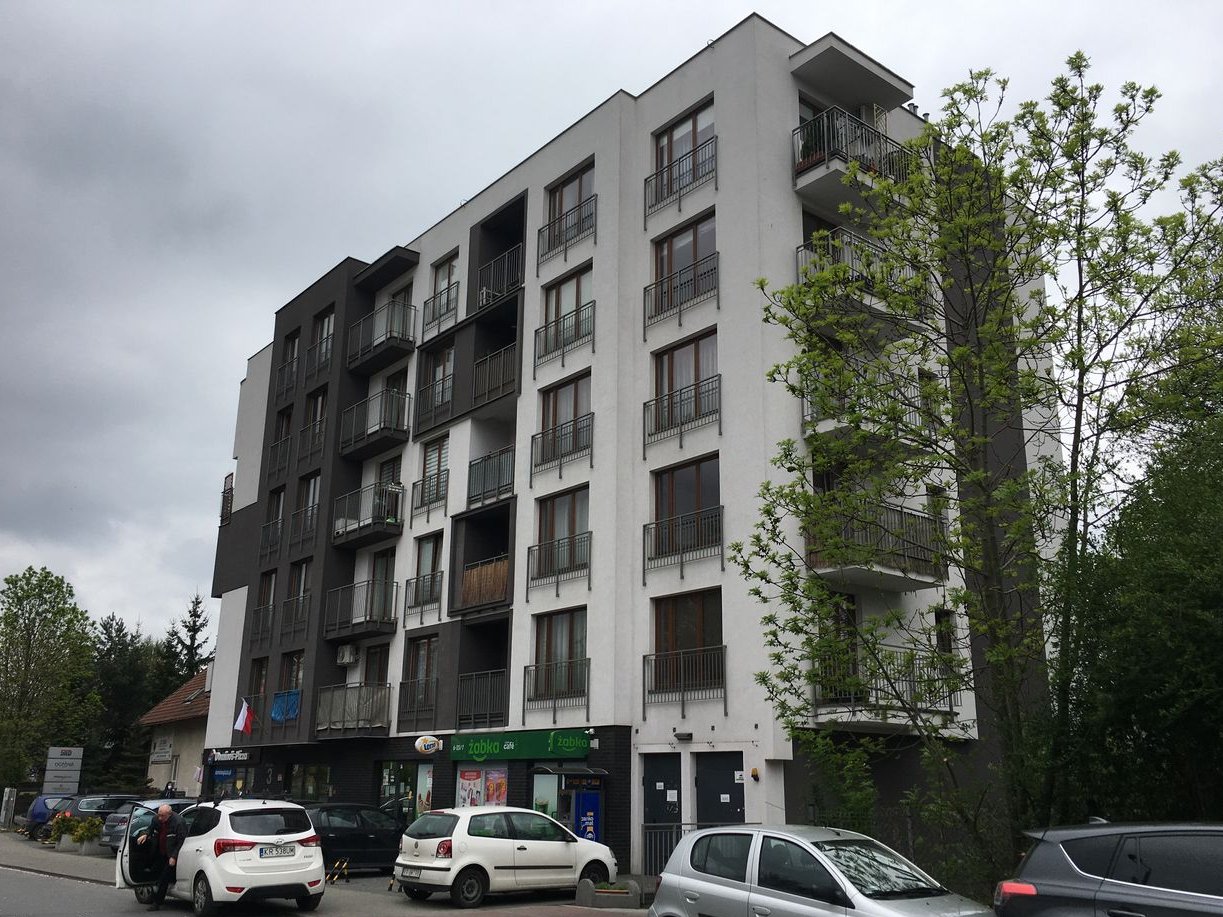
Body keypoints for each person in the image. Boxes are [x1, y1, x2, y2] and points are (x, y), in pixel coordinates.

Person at [136, 804, 187, 911]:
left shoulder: (178, 822)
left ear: (169, 814)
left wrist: (174, 856)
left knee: (164, 878)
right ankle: (152, 894)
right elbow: (150, 828)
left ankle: (157, 902)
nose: (160, 818)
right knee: (153, 872)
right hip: (159, 852)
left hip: (170, 854)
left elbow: (181, 841)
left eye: (162, 816)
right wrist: (146, 834)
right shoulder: (156, 819)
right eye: (159, 815)